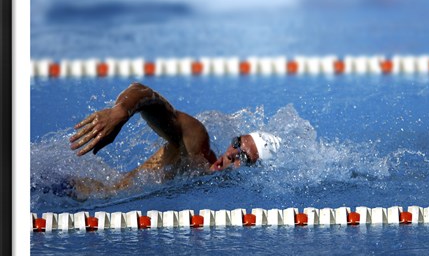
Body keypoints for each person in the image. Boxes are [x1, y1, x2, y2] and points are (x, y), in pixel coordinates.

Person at [69, 82, 281, 196]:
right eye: (236, 143)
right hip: (74, 191)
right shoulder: (197, 146)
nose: (230, 154)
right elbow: (143, 92)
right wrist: (121, 112)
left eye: (242, 158)